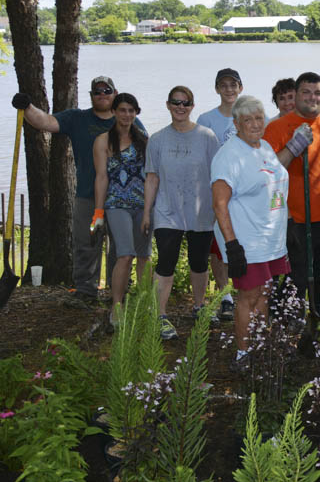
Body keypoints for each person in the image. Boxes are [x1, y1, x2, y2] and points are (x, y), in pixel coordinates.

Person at [11, 76, 145, 304]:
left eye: (107, 90)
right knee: (86, 243)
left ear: (115, 93)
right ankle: (85, 291)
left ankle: (118, 292)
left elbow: (146, 157)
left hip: (123, 201)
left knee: (121, 248)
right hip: (87, 196)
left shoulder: (129, 120)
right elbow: (46, 122)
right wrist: (27, 106)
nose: (102, 94)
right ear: (91, 95)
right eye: (97, 91)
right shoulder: (77, 118)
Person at [211, 96, 290, 367]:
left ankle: (258, 346)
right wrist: (232, 246)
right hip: (247, 241)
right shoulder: (228, 155)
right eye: (248, 120)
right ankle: (243, 354)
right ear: (236, 123)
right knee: (249, 295)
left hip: (269, 239)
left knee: (265, 293)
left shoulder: (265, 146)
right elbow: (219, 203)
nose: (256, 124)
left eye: (259, 118)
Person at [264, 71, 320, 342]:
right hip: (291, 220)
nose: (313, 98)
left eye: (318, 93)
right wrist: (294, 146)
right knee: (293, 278)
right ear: (295, 96)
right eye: (306, 92)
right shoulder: (277, 128)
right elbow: (269, 171)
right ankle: (285, 333)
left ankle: (317, 331)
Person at [142, 86, 221, 336]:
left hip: (200, 211)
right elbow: (152, 178)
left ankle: (199, 306)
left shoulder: (207, 137)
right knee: (165, 263)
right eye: (176, 102)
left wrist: (219, 209)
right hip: (167, 211)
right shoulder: (157, 139)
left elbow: (216, 176)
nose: (180, 107)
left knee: (199, 263)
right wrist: (146, 212)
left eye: (185, 103)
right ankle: (160, 316)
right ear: (167, 105)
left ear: (192, 106)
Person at [92, 94, 151, 328]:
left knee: (145, 255)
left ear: (136, 113)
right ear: (114, 112)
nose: (127, 115)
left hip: (142, 204)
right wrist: (98, 213)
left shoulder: (144, 140)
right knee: (125, 255)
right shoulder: (103, 141)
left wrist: (148, 209)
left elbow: (150, 177)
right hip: (116, 204)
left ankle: (146, 303)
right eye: (122, 110)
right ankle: (117, 306)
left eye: (131, 111)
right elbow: (101, 177)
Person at [197, 67, 244, 322]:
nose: (229, 89)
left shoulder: (252, 115)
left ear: (241, 88)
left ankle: (245, 293)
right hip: (217, 193)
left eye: (233, 85)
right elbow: (202, 158)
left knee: (244, 243)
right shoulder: (206, 119)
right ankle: (225, 297)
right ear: (217, 89)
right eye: (224, 85)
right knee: (218, 247)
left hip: (245, 194)